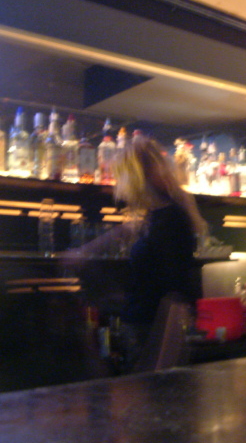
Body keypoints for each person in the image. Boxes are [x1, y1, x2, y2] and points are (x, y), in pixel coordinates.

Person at [66, 134, 209, 371]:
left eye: (120, 175)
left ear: (135, 176)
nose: (118, 184)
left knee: (149, 392)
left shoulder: (169, 220)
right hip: (146, 326)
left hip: (149, 330)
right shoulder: (161, 215)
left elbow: (170, 287)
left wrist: (120, 298)